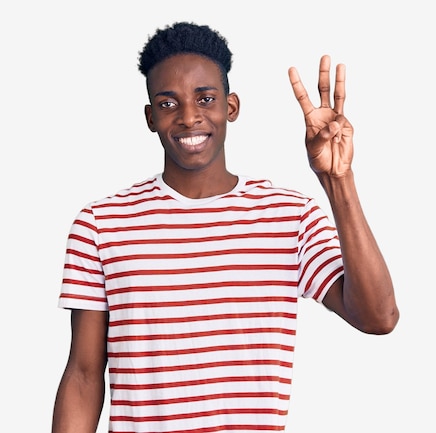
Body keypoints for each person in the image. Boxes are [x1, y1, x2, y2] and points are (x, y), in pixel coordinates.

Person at [52, 21, 399, 433]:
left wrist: (338, 181)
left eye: (205, 98)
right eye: (168, 103)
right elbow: (84, 375)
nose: (188, 117)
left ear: (230, 107)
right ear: (149, 117)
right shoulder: (102, 224)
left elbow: (378, 317)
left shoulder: (290, 215)